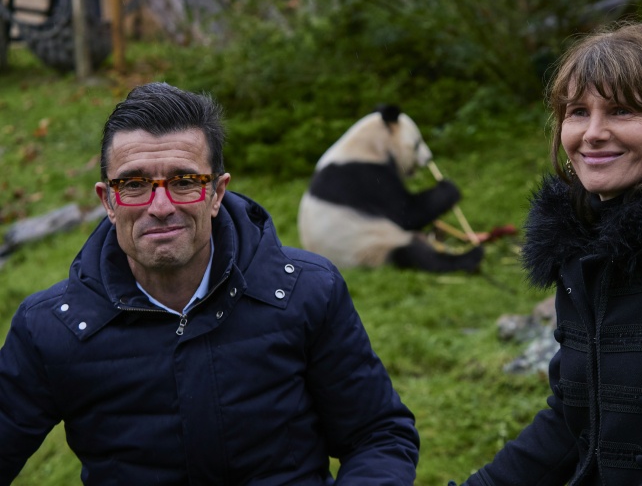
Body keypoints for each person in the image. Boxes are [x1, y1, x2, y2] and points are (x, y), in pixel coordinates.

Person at [0, 82, 419, 485]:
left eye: (184, 182)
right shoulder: (51, 329)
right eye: (133, 184)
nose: (160, 206)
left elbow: (377, 435)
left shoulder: (308, 293)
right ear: (108, 201)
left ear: (217, 193)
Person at [452, 22, 642, 485]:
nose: (592, 133)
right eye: (578, 112)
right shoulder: (581, 246)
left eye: (621, 111)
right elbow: (573, 421)